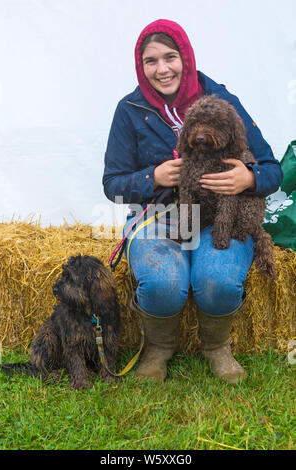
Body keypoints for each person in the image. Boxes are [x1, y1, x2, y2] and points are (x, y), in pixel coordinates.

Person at [103, 19, 283, 384]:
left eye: (170, 57)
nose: (162, 69)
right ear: (141, 66)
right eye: (150, 61)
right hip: (159, 217)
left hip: (220, 217)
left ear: (185, 57)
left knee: (216, 280)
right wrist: (152, 177)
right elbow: (112, 185)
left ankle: (216, 346)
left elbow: (272, 169)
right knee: (163, 283)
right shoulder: (130, 111)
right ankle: (158, 348)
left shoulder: (222, 100)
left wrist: (249, 178)